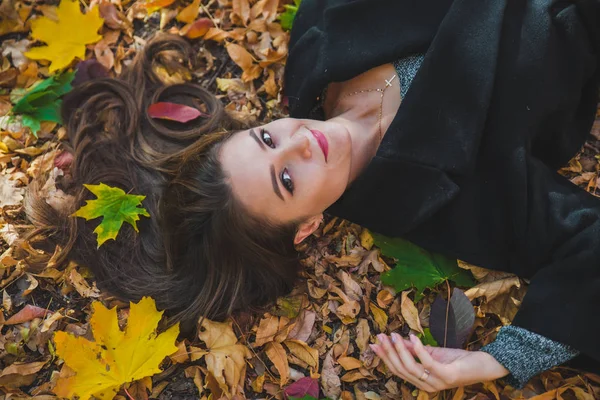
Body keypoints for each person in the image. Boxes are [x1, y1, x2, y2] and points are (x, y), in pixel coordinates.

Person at [25, 0, 599, 392]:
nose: (302, 141)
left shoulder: (318, 51)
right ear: (308, 226)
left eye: (268, 137)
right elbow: (587, 243)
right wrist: (498, 360)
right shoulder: (445, 200)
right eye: (287, 181)